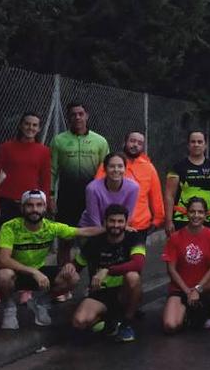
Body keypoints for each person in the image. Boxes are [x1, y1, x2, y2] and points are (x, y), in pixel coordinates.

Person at [0, 190, 103, 330]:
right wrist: (33, 272)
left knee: (72, 277)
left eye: (39, 205)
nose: (35, 209)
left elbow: (84, 231)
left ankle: (40, 302)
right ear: (22, 208)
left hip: (39, 273)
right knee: (3, 275)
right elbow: (3, 259)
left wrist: (115, 228)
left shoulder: (50, 227)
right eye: (30, 205)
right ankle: (9, 308)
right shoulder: (10, 227)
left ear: (45, 207)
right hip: (16, 273)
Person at [0, 112, 51, 306]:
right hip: (6, 202)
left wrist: (43, 204)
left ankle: (26, 287)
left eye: (35, 125)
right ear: (21, 125)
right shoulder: (5, 148)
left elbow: (45, 180)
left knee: (26, 246)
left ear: (38, 129)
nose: (30, 128)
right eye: (27, 124)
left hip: (30, 205)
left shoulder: (43, 151)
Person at [50, 101, 109, 296]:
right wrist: (50, 194)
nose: (77, 117)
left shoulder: (100, 141)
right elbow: (52, 170)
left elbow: (106, 171)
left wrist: (105, 198)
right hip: (66, 198)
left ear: (87, 115)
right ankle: (64, 286)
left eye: (81, 113)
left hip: (91, 200)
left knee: (92, 243)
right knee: (65, 243)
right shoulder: (59, 141)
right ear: (68, 117)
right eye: (73, 114)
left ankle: (93, 285)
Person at [71, 205, 146, 342]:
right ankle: (109, 321)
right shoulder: (94, 242)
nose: (116, 225)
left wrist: (107, 270)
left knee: (133, 276)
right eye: (112, 221)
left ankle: (126, 323)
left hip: (124, 292)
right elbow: (76, 265)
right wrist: (68, 269)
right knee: (79, 322)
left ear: (126, 222)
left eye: (120, 221)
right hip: (101, 292)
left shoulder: (134, 238)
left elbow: (138, 264)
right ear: (105, 222)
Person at [161, 197, 210, 333]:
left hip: (203, 288)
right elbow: (171, 269)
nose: (196, 216)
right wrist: (188, 291)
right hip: (180, 289)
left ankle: (207, 311)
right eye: (192, 212)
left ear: (206, 214)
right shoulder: (175, 237)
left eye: (200, 212)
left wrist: (197, 289)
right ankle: (188, 312)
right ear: (187, 213)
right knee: (170, 326)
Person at [92, 131, 163, 234]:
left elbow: (156, 197)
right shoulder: (110, 164)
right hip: (112, 225)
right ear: (124, 143)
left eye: (139, 143)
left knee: (137, 251)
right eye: (132, 141)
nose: (135, 145)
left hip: (140, 226)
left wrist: (157, 221)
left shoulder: (149, 167)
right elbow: (96, 193)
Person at [164, 130, 210, 233]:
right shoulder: (178, 167)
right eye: (193, 142)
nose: (196, 145)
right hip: (182, 218)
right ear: (188, 145)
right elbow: (169, 195)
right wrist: (168, 221)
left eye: (200, 142)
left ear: (205, 145)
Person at [80, 152, 140, 229]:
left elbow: (128, 216)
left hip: (117, 227)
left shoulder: (133, 188)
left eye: (120, 166)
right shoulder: (92, 188)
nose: (116, 170)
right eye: (112, 166)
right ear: (105, 169)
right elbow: (94, 220)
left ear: (125, 169)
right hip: (91, 228)